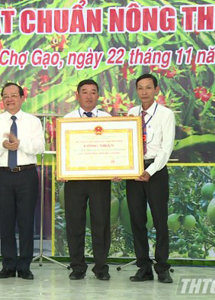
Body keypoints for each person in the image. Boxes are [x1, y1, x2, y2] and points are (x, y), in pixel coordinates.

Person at [0, 82, 45, 280]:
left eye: (13, 95)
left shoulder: (33, 121)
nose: (9, 99)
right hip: (3, 175)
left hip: (26, 174)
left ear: (22, 97)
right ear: (2, 99)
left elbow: (40, 147)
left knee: (27, 222)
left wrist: (21, 144)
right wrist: (2, 145)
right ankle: (8, 265)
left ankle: (25, 266)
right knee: (6, 222)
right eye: (5, 96)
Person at [61, 79, 114, 281]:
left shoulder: (107, 118)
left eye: (93, 92)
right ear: (78, 95)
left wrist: (117, 168)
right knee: (75, 223)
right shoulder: (68, 119)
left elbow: (114, 146)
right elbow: (63, 148)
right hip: (75, 179)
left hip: (100, 179)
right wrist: (63, 170)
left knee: (101, 223)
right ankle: (77, 267)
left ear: (98, 95)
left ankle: (101, 267)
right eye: (85, 92)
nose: (89, 96)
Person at [126, 74, 175, 283]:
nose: (144, 92)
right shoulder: (131, 113)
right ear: (136, 91)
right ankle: (143, 267)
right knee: (137, 221)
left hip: (156, 171)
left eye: (148, 88)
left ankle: (162, 268)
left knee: (160, 221)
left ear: (156, 90)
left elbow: (166, 149)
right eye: (140, 88)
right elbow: (125, 144)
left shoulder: (166, 114)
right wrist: (123, 167)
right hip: (134, 170)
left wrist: (151, 170)